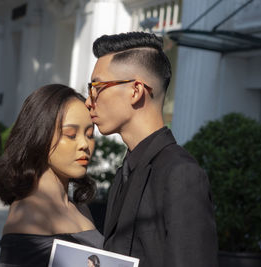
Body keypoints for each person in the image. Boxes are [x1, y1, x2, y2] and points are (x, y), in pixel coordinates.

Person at [85, 32, 218, 267]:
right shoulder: (126, 170)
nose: (89, 100)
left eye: (97, 87)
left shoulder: (181, 174)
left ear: (136, 91)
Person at [0, 84, 103, 267]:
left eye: (90, 134)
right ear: (40, 136)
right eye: (71, 134)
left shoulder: (80, 208)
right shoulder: (28, 215)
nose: (85, 144)